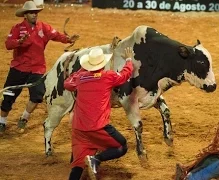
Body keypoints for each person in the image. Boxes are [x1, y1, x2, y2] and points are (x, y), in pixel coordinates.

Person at [0, 1, 79, 134]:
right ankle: (2, 121)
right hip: (19, 68)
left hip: (37, 69)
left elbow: (56, 35)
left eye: (36, 12)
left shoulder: (43, 27)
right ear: (25, 15)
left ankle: (24, 118)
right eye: (31, 13)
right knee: (9, 96)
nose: (34, 15)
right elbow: (8, 44)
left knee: (37, 96)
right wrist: (19, 42)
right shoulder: (17, 28)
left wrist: (68, 39)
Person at [64, 47, 134, 180]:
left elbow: (67, 83)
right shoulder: (108, 76)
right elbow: (125, 75)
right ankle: (96, 159)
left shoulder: (80, 77)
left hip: (79, 129)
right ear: (103, 63)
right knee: (122, 146)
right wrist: (129, 60)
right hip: (98, 127)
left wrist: (82, 70)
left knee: (77, 165)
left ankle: (89, 161)